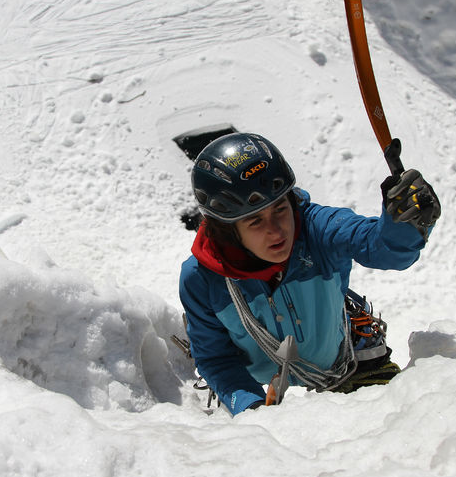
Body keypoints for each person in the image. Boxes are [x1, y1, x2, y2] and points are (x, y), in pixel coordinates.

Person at [178, 132, 441, 415]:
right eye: (255, 221)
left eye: (280, 208)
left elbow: (382, 247)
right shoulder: (202, 279)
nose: (276, 230)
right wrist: (251, 409)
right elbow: (216, 359)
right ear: (228, 230)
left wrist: (405, 224)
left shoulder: (317, 229)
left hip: (342, 367)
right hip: (258, 390)